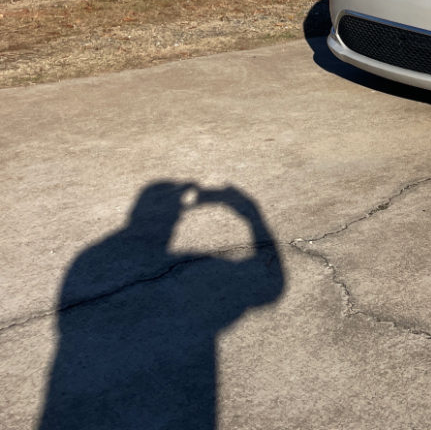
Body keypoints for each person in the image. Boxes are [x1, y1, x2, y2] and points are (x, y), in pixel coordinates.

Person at [39, 182, 284, 430]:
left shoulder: (91, 257)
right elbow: (270, 287)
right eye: (176, 211)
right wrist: (250, 212)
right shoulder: (100, 259)